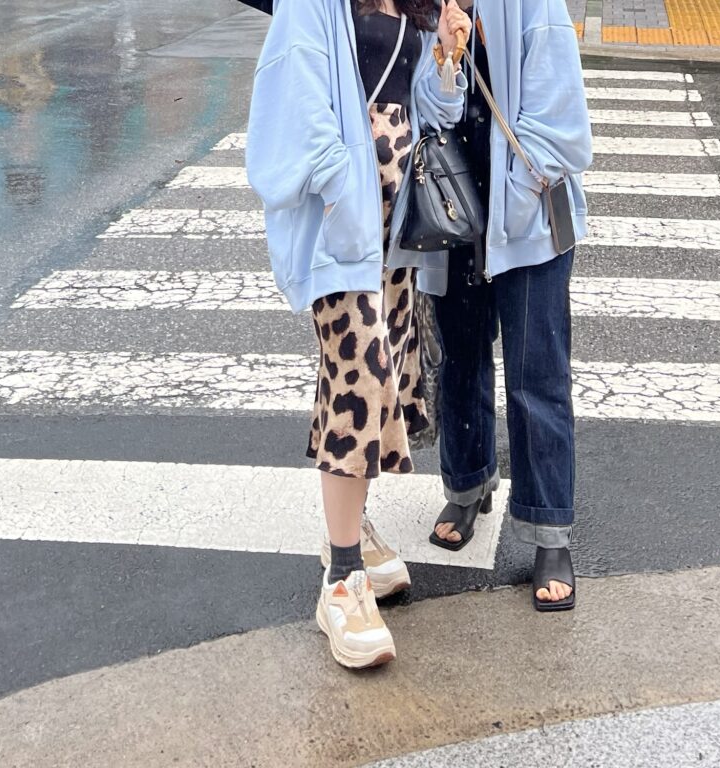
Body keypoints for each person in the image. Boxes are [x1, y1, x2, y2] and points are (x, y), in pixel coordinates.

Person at [247, 0, 470, 668]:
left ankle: (352, 530)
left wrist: (447, 56)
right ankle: (342, 582)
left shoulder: (413, 6)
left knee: (386, 374)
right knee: (359, 379)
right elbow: (300, 98)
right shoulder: (314, 6)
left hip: (396, 230)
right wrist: (341, 186)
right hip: (341, 228)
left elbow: (435, 111)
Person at [423, 1, 593, 612]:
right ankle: (468, 484)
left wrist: (512, 200)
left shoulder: (533, 6)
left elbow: (563, 126)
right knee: (460, 359)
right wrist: (446, 61)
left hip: (530, 224)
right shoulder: (429, 10)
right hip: (452, 214)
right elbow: (429, 112)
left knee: (536, 373)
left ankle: (549, 530)